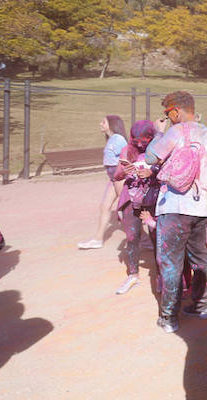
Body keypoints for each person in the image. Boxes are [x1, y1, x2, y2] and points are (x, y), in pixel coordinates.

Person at [145, 91, 207, 333]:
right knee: (199, 258)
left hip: (174, 206)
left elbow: (151, 156)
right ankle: (201, 304)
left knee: (170, 262)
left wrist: (158, 132)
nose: (168, 117)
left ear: (176, 111)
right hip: (199, 206)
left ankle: (168, 316)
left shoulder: (174, 132)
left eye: (168, 113)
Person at [112, 120, 161, 295]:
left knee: (157, 237)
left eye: (144, 141)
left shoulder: (159, 148)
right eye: (136, 141)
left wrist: (152, 172)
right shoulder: (127, 150)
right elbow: (116, 176)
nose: (139, 144)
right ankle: (133, 274)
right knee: (132, 238)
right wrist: (125, 172)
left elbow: (166, 172)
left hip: (153, 200)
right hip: (131, 200)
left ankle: (160, 275)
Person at [78, 115, 127, 249]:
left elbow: (126, 156)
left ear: (112, 124)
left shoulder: (118, 139)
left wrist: (121, 174)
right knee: (104, 207)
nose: (100, 124)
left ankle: (144, 240)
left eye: (103, 122)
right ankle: (98, 239)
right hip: (112, 178)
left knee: (126, 209)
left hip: (119, 176)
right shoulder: (111, 139)